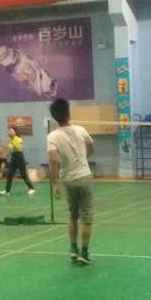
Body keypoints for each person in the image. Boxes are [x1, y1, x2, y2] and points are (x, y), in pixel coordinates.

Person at [47, 97, 95, 265]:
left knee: (73, 216)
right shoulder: (81, 130)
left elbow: (53, 161)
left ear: (54, 117)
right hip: (84, 178)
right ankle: (84, 253)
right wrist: (83, 158)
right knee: (86, 218)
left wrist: (55, 184)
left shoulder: (52, 136)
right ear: (68, 113)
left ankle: (73, 249)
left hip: (68, 180)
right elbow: (92, 147)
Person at [0, 127, 35, 195]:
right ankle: (7, 191)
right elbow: (11, 150)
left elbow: (19, 148)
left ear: (15, 132)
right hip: (13, 157)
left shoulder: (19, 139)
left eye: (11, 130)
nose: (9, 132)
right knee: (10, 175)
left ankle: (31, 188)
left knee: (23, 174)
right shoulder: (10, 140)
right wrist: (7, 153)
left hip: (19, 157)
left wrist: (11, 142)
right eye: (8, 131)